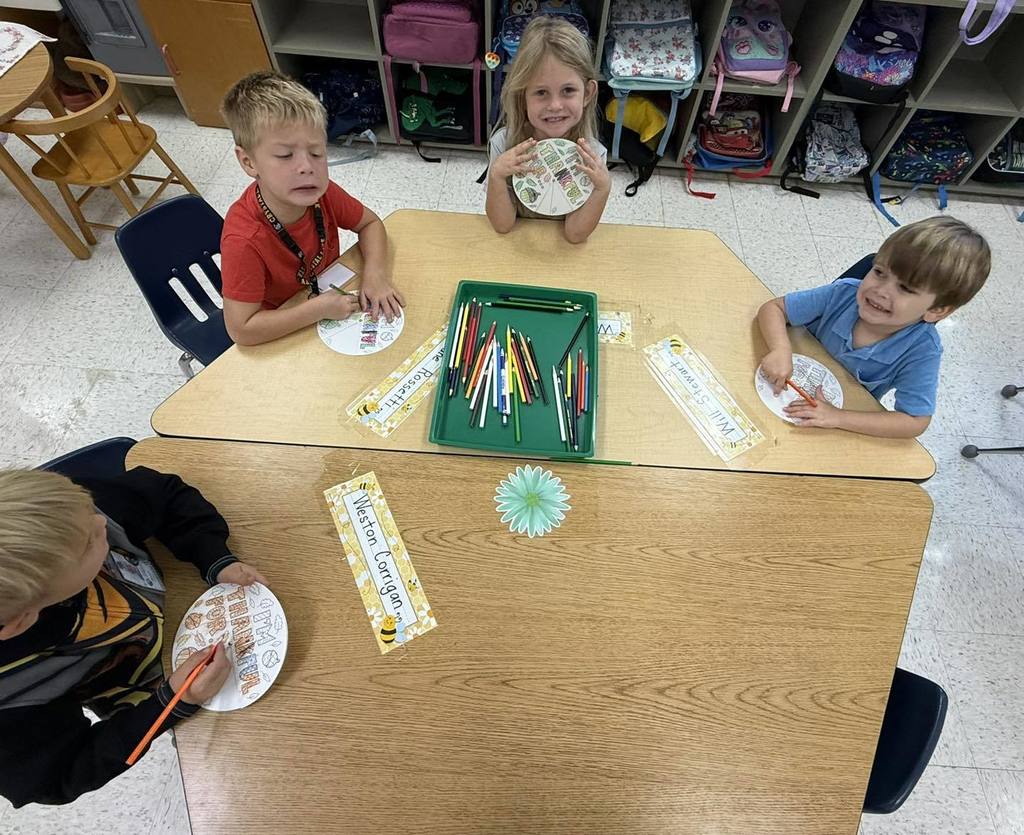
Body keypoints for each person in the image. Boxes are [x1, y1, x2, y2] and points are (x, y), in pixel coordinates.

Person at [0, 466, 267, 807]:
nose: (100, 522)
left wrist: (213, 556)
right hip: (155, 698)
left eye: (85, 506)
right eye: (89, 545)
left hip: (181, 602)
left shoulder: (62, 515)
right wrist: (172, 703)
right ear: (22, 621)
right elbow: (65, 774)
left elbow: (165, 494)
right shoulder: (9, 702)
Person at [756, 216, 990, 438]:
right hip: (780, 382)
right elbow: (774, 308)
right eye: (879, 272)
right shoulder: (843, 293)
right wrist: (780, 348)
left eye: (905, 289)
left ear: (936, 310)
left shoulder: (922, 350)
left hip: (825, 422)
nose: (880, 290)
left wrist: (839, 417)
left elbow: (915, 421)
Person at [219, 71, 404, 346]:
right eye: (285, 155)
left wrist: (375, 275)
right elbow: (242, 330)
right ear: (248, 162)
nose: (308, 167)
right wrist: (317, 310)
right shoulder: (244, 240)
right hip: (281, 331)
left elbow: (370, 223)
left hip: (324, 301)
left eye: (317, 153)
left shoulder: (321, 194)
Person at [486, 17, 610, 243]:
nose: (555, 105)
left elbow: (574, 235)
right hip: (515, 247)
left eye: (568, 90)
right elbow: (502, 226)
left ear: (588, 94)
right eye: (541, 92)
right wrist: (496, 175)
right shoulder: (503, 144)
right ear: (522, 96)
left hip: (561, 254)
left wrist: (602, 189)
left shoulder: (592, 154)